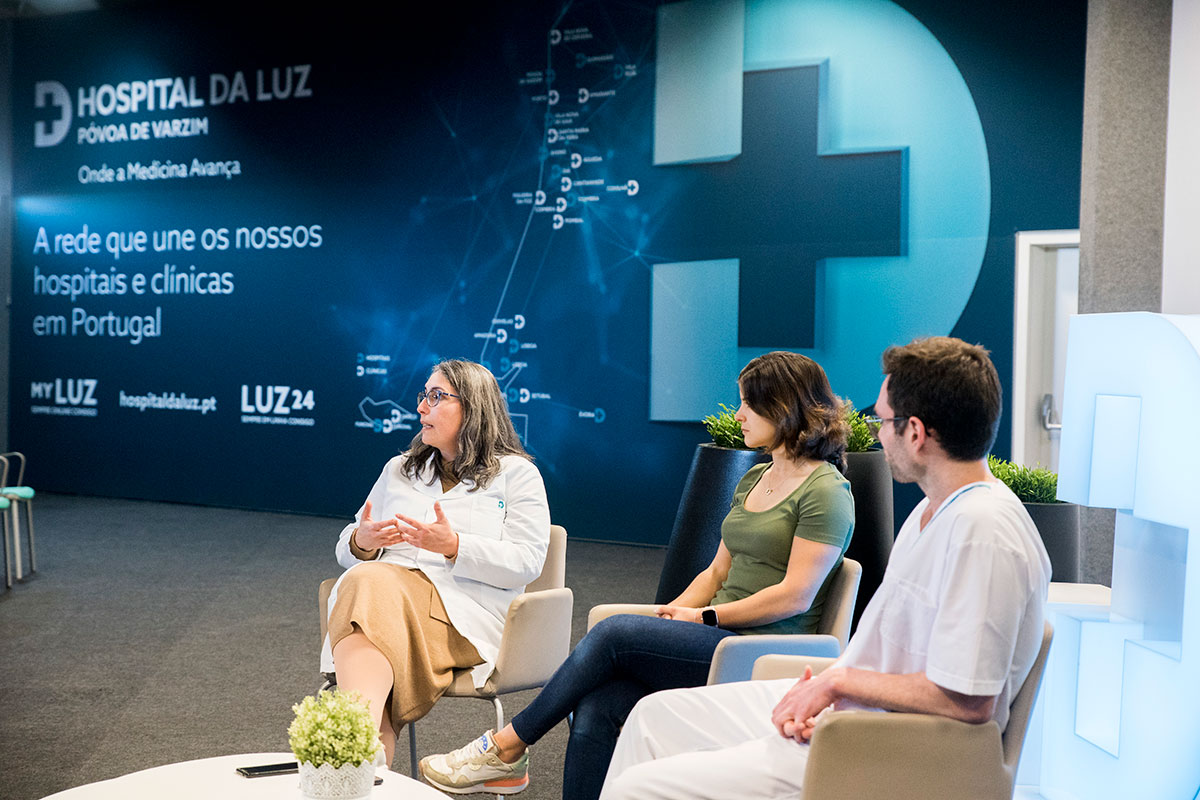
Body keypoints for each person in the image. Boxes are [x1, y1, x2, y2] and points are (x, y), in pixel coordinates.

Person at [597, 336, 1052, 800]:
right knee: (650, 718)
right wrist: (830, 690)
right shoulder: (934, 512)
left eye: (882, 420)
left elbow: (968, 700)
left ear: (915, 432)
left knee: (638, 787)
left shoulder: (982, 533)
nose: (877, 434)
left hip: (884, 744)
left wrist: (838, 683)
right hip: (850, 713)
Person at [420, 351, 856, 799]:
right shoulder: (755, 478)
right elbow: (717, 571)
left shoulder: (826, 491)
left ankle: (506, 746)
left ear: (783, 408)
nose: (739, 414)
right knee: (597, 705)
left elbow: (795, 596)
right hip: (716, 634)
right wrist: (673, 614)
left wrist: (703, 618)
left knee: (614, 634)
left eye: (749, 404)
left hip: (760, 649)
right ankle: (512, 757)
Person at [318, 359, 551, 765]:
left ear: (473, 407)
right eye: (423, 395)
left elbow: (528, 560)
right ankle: (364, 752)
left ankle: (355, 744)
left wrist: (455, 546)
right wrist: (362, 541)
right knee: (366, 586)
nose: (421, 407)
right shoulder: (399, 470)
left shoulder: (517, 475)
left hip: (462, 617)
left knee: (366, 586)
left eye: (437, 396)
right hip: (383, 606)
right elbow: (346, 548)